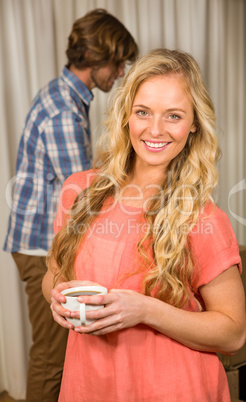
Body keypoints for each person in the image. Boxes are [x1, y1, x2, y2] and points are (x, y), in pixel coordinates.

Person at [42, 48, 246, 402]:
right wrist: (56, 298)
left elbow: (233, 333)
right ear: (126, 116)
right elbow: (54, 275)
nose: (155, 129)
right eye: (143, 112)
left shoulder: (203, 217)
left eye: (173, 116)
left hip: (173, 389)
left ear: (194, 122)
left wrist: (146, 310)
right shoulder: (79, 191)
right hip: (90, 385)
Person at [3, 8, 138, 402]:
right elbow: (84, 197)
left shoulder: (62, 94)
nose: (120, 74)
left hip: (35, 240)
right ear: (99, 58)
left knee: (54, 353)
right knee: (52, 356)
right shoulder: (64, 111)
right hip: (39, 249)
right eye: (118, 63)